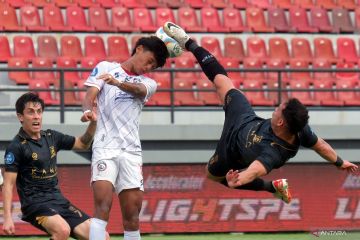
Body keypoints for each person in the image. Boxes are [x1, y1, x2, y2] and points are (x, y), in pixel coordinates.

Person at [162, 22, 359, 203]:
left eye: (278, 110)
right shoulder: (301, 129)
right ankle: (189, 43)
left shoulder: (273, 153)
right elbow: (320, 145)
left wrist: (236, 181)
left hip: (230, 151)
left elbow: (253, 171)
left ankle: (272, 187)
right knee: (222, 82)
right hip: (245, 119)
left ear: (281, 123)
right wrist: (340, 162)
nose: (275, 109)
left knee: (211, 174)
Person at [81, 36, 169, 240]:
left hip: (131, 152)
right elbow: (89, 97)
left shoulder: (148, 83)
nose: (149, 67)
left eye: (153, 66)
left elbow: (138, 90)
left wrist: (118, 83)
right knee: (102, 206)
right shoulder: (105, 67)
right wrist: (88, 112)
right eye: (149, 61)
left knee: (132, 216)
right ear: (139, 48)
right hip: (104, 148)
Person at [2, 92, 105, 240]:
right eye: (31, 112)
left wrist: (94, 122)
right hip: (34, 204)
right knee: (62, 231)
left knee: (101, 236)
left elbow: (83, 144)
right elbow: (8, 184)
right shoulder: (16, 147)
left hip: (59, 201)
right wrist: (7, 218)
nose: (36, 116)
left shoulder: (51, 137)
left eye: (39, 112)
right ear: (20, 117)